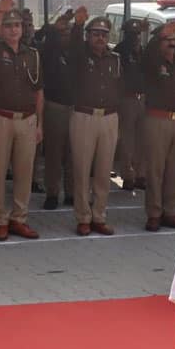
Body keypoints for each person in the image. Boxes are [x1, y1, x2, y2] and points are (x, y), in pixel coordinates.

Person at [0, 0, 43, 241]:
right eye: (8, 26)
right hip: (0, 118)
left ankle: (19, 218)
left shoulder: (33, 55)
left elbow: (39, 91)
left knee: (24, 171)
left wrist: (40, 123)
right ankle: (0, 219)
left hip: (27, 119)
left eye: (16, 25)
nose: (13, 30)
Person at [66, 13, 122, 236]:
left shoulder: (115, 58)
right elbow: (73, 46)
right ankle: (83, 217)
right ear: (88, 36)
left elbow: (121, 88)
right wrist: (78, 25)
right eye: (95, 34)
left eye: (104, 34)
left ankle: (99, 215)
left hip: (109, 117)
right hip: (84, 116)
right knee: (81, 169)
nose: (100, 38)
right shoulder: (79, 55)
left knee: (103, 170)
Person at [140, 20, 175, 231]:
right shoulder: (153, 62)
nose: (172, 43)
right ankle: (154, 213)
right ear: (160, 42)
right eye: (167, 40)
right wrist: (158, 36)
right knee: (155, 169)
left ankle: (169, 211)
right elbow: (147, 54)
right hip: (157, 119)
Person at [37, 8, 77, 210]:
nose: (66, 36)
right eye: (62, 33)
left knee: (73, 154)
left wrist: (76, 24)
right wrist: (54, 28)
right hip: (55, 108)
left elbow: (79, 37)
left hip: (75, 109)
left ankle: (71, 193)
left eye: (68, 33)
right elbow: (43, 41)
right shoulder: (50, 52)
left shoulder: (76, 53)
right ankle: (52, 193)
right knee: (53, 154)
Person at [115, 19, 148, 190]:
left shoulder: (143, 50)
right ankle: (128, 175)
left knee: (142, 138)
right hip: (126, 98)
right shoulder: (120, 51)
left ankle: (141, 174)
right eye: (131, 34)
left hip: (142, 97)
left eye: (137, 34)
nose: (135, 37)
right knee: (127, 139)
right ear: (125, 34)